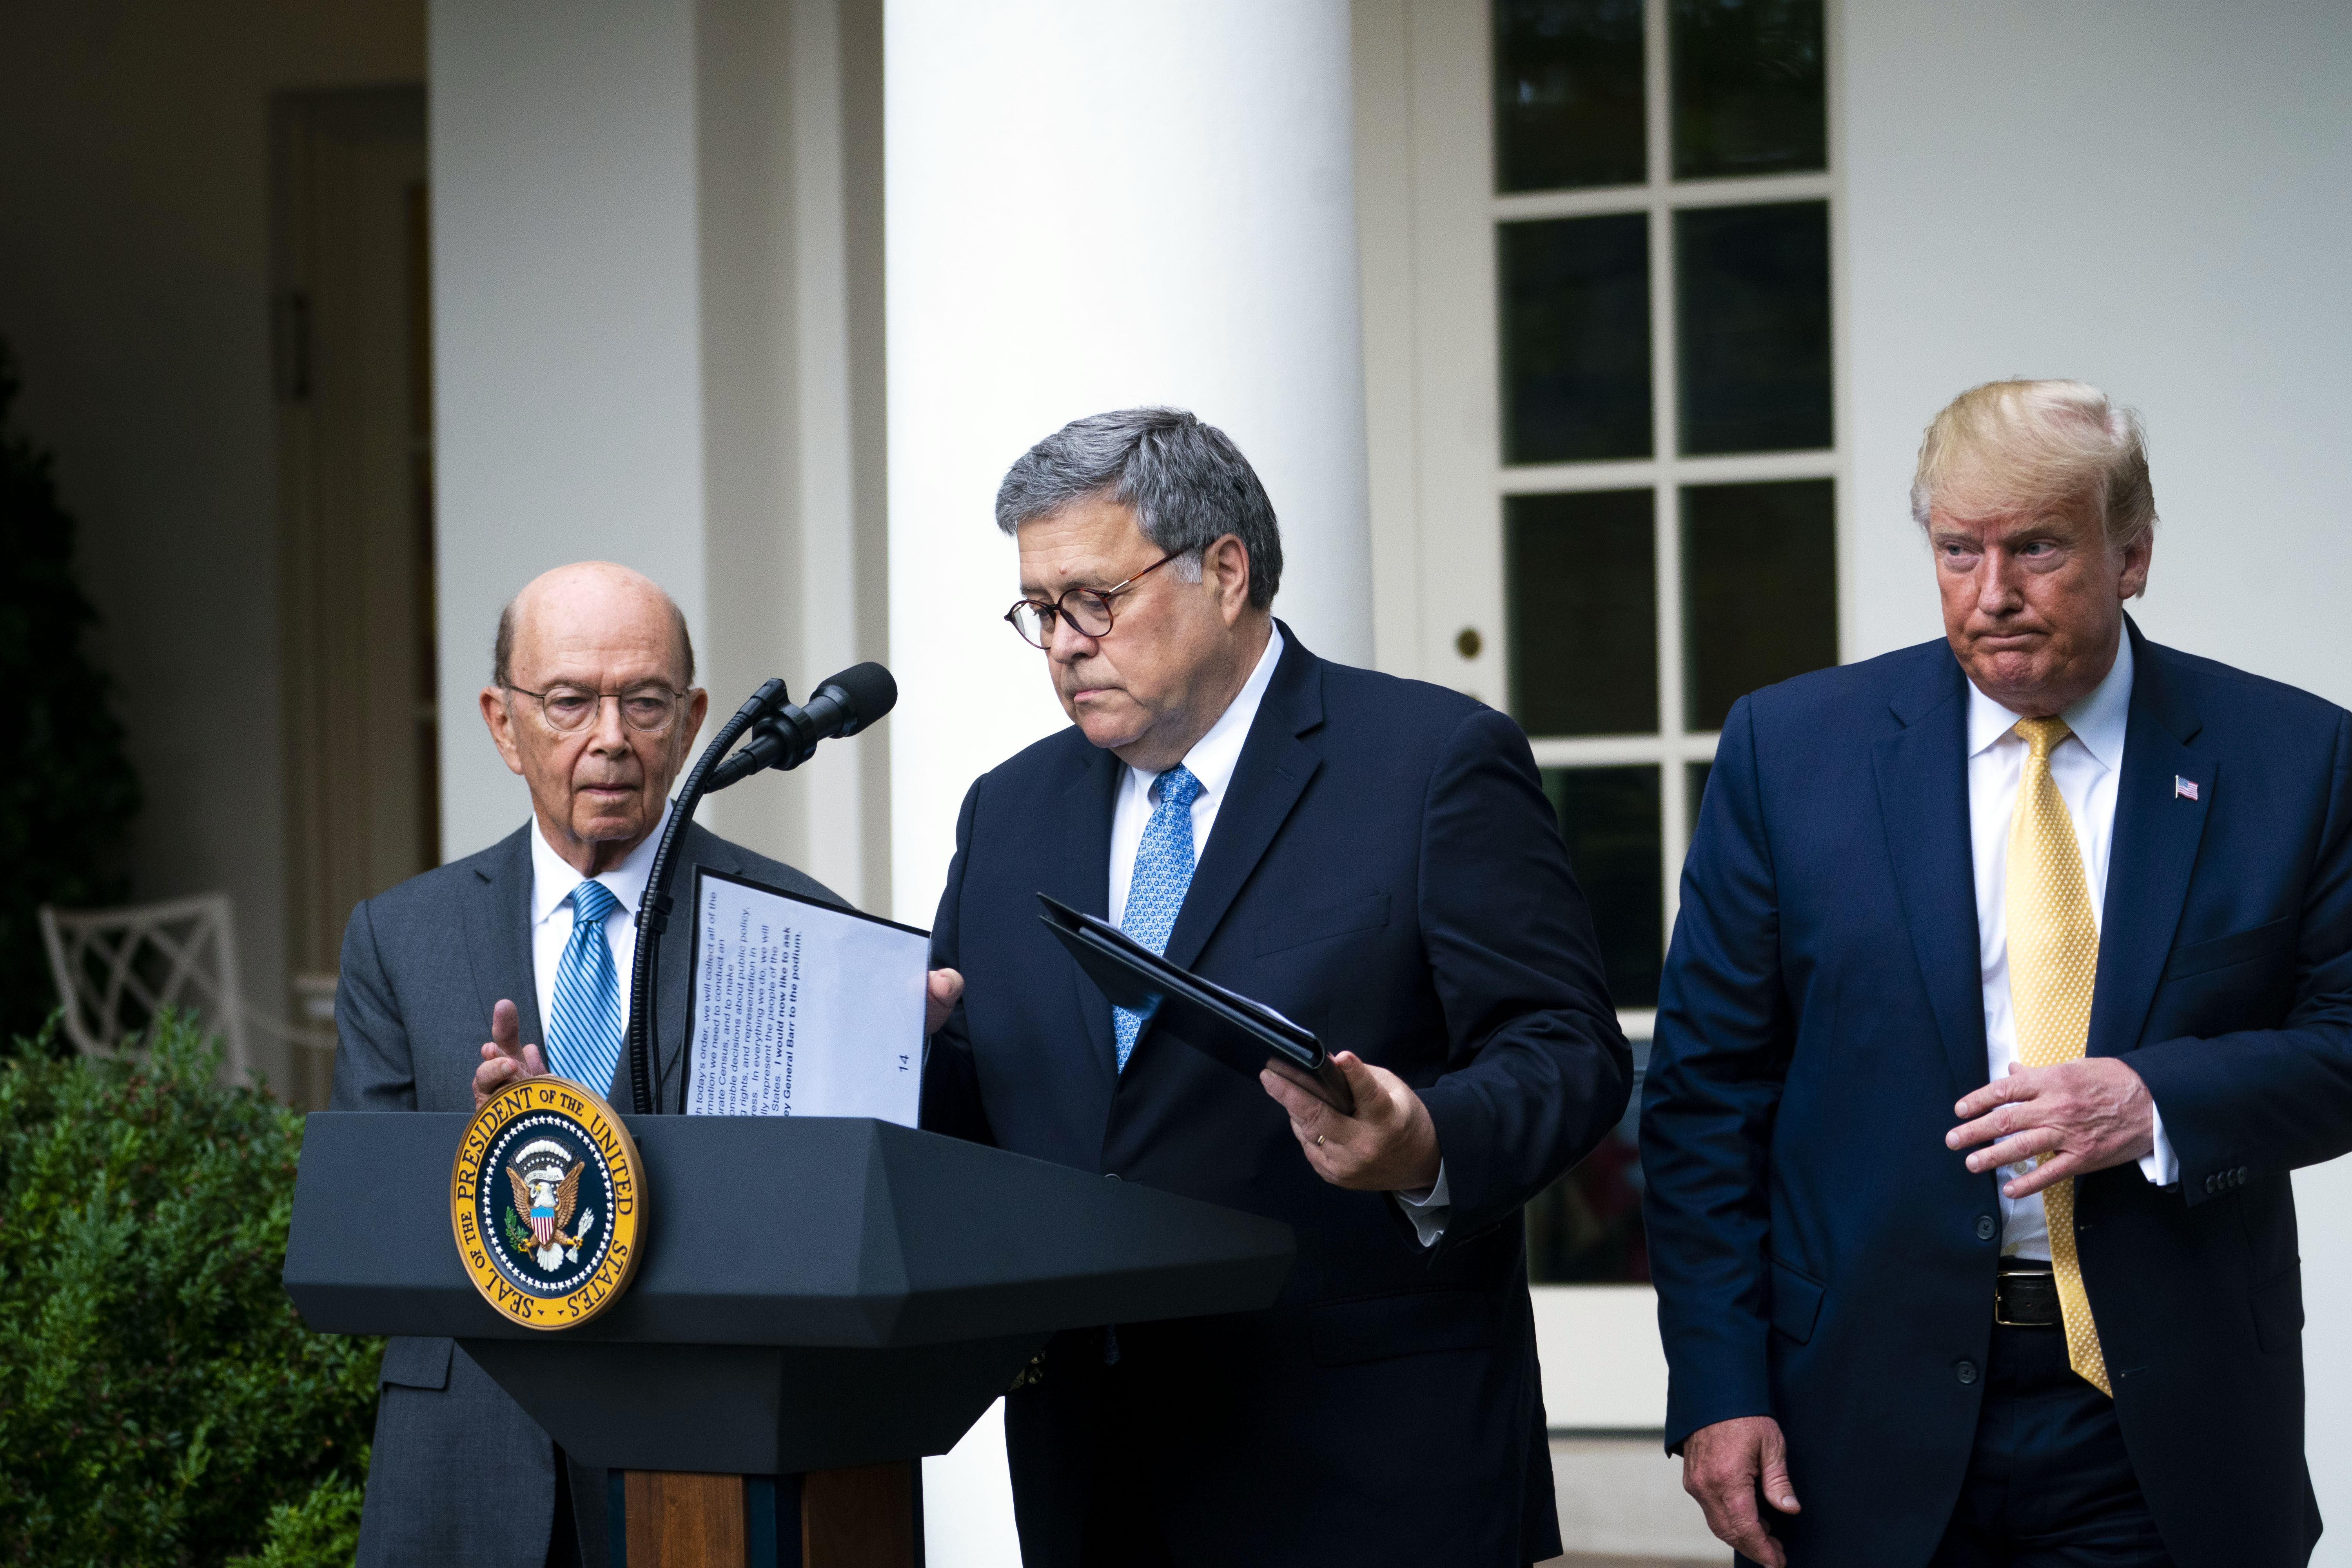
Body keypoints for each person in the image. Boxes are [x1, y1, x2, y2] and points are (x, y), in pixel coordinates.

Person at [1640, 379, 2352, 1568]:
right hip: (1857, 1411)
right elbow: (1706, 1096)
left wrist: (2157, 1101)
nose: (1993, 596)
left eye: (2037, 548)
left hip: (2162, 1421)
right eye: (1957, 550)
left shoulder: (2294, 758)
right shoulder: (1790, 752)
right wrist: (1718, 1384)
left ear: (2133, 555)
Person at [918, 408, 1630, 1566]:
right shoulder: (1008, 810)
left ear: (1227, 572)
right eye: (1040, 613)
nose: (1062, 644)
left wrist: (1426, 1140)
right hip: (1095, 1465)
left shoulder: (1428, 760)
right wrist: (895, 1057)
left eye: (1094, 601)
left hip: (1364, 1458)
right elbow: (996, 1109)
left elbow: (1568, 1050)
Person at [331, 561, 840, 1568]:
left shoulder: (791, 926)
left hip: (701, 1461)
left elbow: (812, 1217)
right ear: (502, 721)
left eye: (644, 701)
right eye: (569, 701)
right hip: (467, 1456)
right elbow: (370, 1236)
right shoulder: (401, 937)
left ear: (693, 719)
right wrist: (501, 1153)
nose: (611, 736)